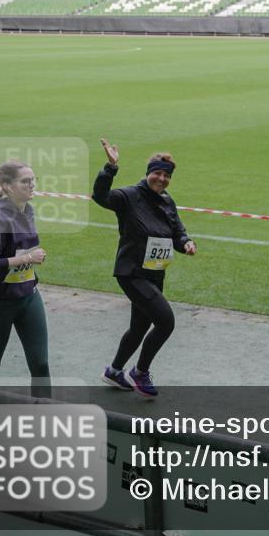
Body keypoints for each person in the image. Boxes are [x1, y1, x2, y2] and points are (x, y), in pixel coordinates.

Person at [93, 139, 196, 398]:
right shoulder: (129, 196)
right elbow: (100, 196)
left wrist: (186, 243)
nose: (161, 179)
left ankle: (114, 371)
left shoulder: (166, 200)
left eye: (166, 175)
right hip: (132, 273)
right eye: (157, 173)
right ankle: (140, 371)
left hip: (155, 273)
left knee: (139, 327)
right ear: (148, 172)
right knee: (165, 322)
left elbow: (176, 230)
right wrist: (110, 167)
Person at [0, 160, 51, 398]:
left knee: (40, 364)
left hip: (28, 297)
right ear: (7, 186)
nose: (32, 185)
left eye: (33, 180)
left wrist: (31, 258)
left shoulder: (28, 209)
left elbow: (22, 251)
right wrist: (26, 258)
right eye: (25, 181)